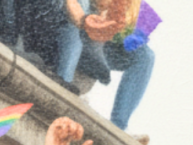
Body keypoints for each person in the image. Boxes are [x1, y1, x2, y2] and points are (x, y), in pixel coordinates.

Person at [53, 0, 155, 133]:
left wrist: (127, 22)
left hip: (96, 42)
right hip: (68, 27)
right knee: (79, 21)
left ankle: (118, 127)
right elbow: (80, 13)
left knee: (145, 56)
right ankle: (61, 92)